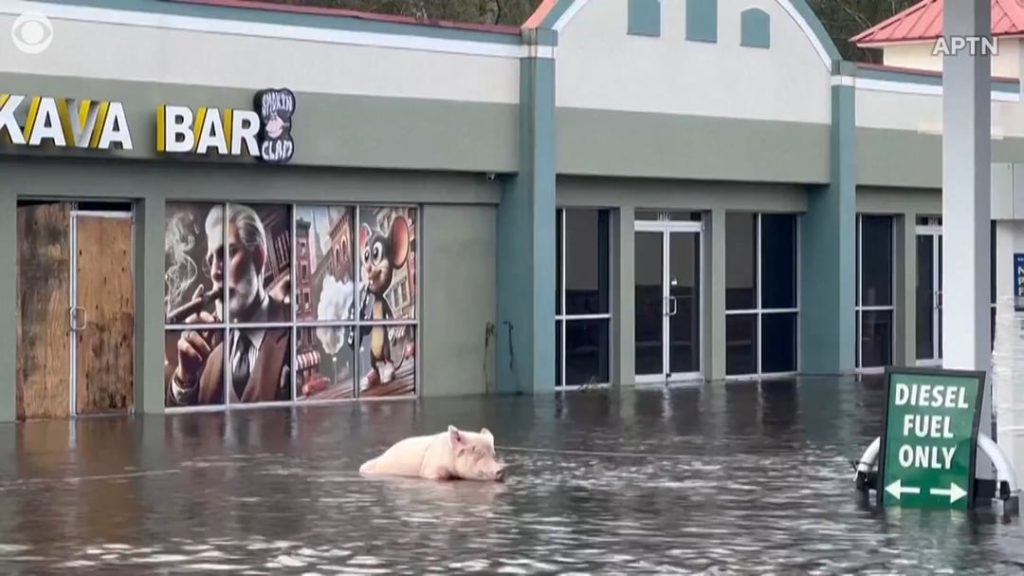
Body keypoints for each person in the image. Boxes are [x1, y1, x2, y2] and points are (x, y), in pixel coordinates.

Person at [165, 204, 291, 405]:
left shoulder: (293, 330)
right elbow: (184, 430)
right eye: (211, 260)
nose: (216, 272)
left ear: (259, 257)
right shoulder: (212, 359)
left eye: (229, 253)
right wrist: (185, 377)